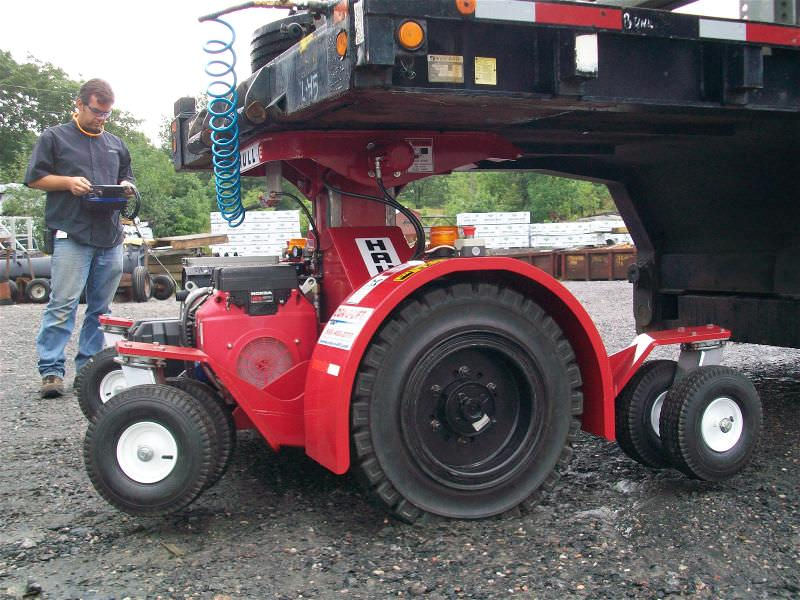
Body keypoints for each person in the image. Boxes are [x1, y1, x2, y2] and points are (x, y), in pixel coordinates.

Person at [25, 78, 135, 398]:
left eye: (107, 113)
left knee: (101, 309)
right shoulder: (55, 138)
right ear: (79, 104)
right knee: (63, 303)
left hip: (109, 235)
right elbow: (34, 179)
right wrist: (67, 182)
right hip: (71, 233)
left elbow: (127, 175)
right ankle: (51, 370)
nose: (102, 118)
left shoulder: (115, 144)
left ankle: (88, 369)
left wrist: (127, 186)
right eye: (97, 111)